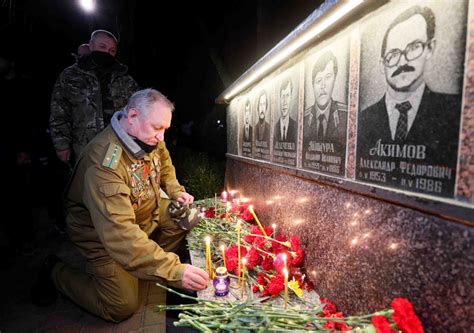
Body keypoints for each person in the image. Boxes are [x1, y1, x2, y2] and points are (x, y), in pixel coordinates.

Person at [32, 88, 208, 322]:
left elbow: (164, 163)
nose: (161, 138)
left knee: (185, 217)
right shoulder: (104, 164)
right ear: (133, 116)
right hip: (101, 235)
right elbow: (120, 234)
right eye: (158, 128)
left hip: (143, 214)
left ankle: (146, 266)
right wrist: (174, 271)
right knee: (120, 306)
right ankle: (54, 271)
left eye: (165, 129)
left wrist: (175, 191)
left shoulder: (149, 137)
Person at [357, 5, 461, 196]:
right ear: (382, 65)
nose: (402, 62)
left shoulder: (455, 113)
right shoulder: (363, 119)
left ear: (429, 48)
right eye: (393, 54)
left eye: (413, 48)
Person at [50, 29, 138, 165]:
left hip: (117, 148)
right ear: (91, 46)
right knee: (87, 183)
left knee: (111, 182)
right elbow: (59, 113)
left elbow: (137, 111)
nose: (107, 53)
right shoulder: (71, 76)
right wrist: (62, 145)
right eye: (102, 47)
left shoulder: (124, 78)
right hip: (84, 148)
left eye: (112, 50)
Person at [303, 51, 347, 151]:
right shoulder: (304, 119)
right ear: (313, 85)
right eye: (318, 80)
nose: (323, 86)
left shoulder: (345, 115)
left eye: (328, 77)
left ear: (334, 79)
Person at [273, 78, 297, 143]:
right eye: (283, 96)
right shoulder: (274, 128)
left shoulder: (296, 127)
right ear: (279, 99)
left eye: (287, 96)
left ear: (291, 98)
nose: (285, 102)